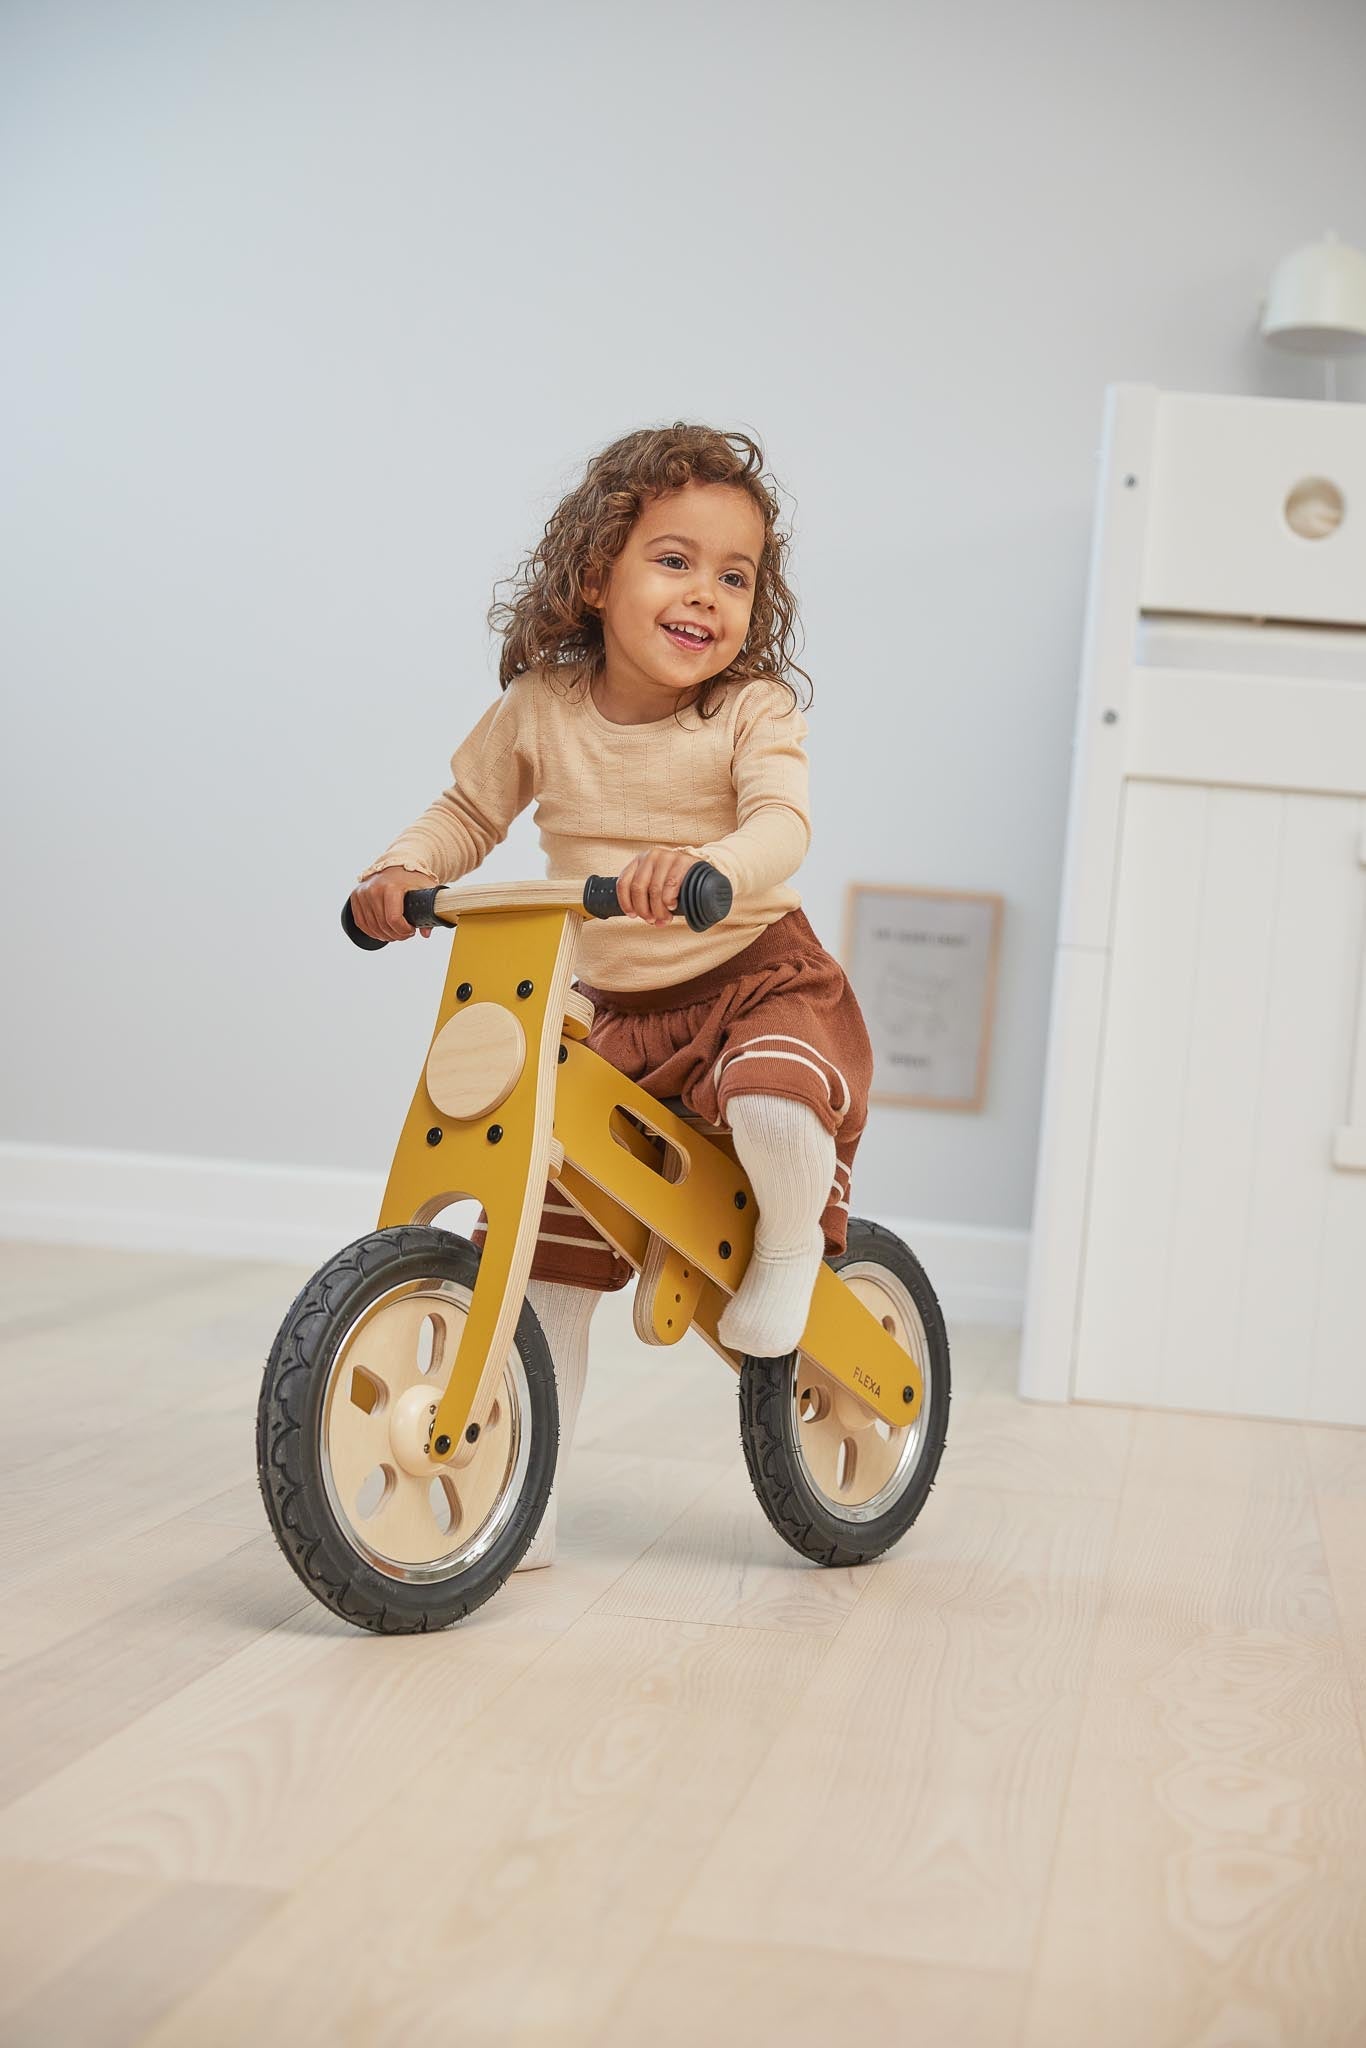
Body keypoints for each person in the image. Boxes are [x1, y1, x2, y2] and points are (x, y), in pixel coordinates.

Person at [349, 423, 875, 1567]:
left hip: (747, 978)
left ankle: (788, 1249)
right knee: (544, 1262)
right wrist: (402, 872)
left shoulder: (750, 710)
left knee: (776, 1102)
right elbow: (466, 813)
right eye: (674, 560)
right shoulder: (542, 704)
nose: (706, 596)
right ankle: (522, 1494)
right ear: (596, 574)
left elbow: (780, 822)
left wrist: (705, 871)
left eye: (734, 576)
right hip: (605, 1019)